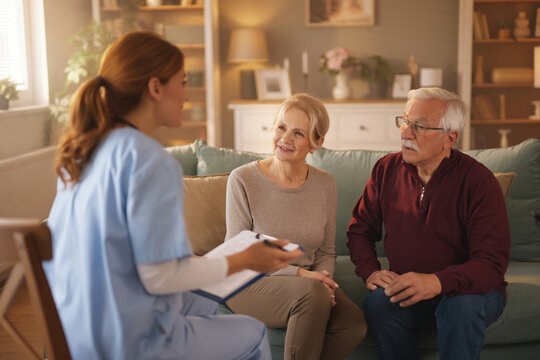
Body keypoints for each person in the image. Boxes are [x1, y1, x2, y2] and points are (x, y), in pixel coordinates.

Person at [43, 31, 302, 360]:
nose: (186, 95)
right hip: (128, 341)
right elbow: (159, 276)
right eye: (182, 81)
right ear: (154, 88)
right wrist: (247, 260)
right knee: (252, 332)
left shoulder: (83, 152)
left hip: (77, 332)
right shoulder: (150, 160)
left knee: (204, 298)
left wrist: (204, 262)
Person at [347, 87, 511, 360]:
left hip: (470, 292)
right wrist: (370, 271)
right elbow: (360, 230)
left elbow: (491, 263)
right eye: (405, 121)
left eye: (420, 126)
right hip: (410, 291)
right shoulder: (386, 169)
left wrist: (438, 282)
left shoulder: (479, 182)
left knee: (460, 306)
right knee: (379, 302)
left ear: (450, 138)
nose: (406, 133)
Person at [225, 93, 367, 360]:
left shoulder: (325, 184)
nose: (285, 139)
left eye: (298, 133)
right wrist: (303, 276)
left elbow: (325, 250)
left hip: (309, 286)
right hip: (247, 281)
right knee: (312, 295)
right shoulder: (242, 179)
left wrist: (323, 281)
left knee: (352, 323)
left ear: (316, 143)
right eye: (281, 127)